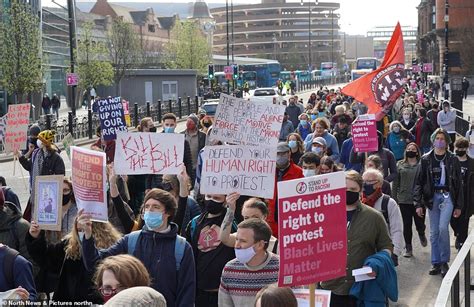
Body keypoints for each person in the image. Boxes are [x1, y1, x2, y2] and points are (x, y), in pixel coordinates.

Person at [78, 189, 196, 307]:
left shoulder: (182, 248)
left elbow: (186, 292)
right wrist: (88, 235)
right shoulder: (130, 240)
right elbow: (95, 263)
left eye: (156, 207)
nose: (150, 211)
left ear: (168, 212)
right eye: (147, 207)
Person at [320, 171, 393, 307]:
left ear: (361, 191)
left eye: (353, 189)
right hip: (330, 287)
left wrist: (377, 264)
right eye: (344, 189)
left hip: (361, 288)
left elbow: (386, 246)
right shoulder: (324, 215)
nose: (348, 192)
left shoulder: (374, 217)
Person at [26, 217, 121, 303]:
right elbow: (47, 259)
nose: (82, 233)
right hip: (67, 301)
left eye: (84, 230)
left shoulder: (112, 249)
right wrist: (35, 237)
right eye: (79, 230)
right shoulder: (70, 245)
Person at [414, 128, 463, 277]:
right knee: (434, 231)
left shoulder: (453, 159)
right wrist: (418, 204)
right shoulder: (426, 159)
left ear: (447, 142)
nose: (440, 141)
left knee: (443, 228)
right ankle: (435, 262)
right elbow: (419, 182)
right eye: (438, 138)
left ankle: (444, 261)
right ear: (433, 140)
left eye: (443, 138)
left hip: (448, 196)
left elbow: (459, 184)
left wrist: (459, 205)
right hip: (432, 197)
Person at [185, 193, 237, 307]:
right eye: (209, 197)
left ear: (224, 200)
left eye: (217, 198)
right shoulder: (194, 223)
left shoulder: (232, 223)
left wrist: (231, 208)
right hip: (200, 291)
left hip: (223, 292)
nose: (211, 200)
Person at [218, 219, 279, 307]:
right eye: (236, 239)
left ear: (260, 245)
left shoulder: (282, 268)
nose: (237, 245)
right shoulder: (230, 269)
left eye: (243, 241)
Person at [17, 130, 66, 221]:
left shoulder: (56, 157)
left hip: (49, 196)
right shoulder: (36, 153)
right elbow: (29, 166)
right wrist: (20, 156)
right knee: (35, 219)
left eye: (39, 139)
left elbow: (61, 177)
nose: (37, 141)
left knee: (47, 220)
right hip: (36, 193)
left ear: (44, 142)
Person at [362, 169, 403, 265]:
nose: (366, 184)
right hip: (363, 252)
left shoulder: (389, 203)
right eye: (364, 181)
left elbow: (396, 229)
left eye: (369, 181)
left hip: (383, 252)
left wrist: (394, 253)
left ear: (379, 184)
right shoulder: (358, 202)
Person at [393, 143, 427, 257]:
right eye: (408, 149)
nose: (410, 151)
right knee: (407, 224)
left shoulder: (422, 165)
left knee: (419, 223)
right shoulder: (400, 165)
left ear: (417, 152)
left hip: (419, 200)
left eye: (413, 149)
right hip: (404, 199)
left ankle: (421, 233)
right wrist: (394, 198)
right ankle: (408, 247)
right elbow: (396, 183)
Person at [146, 113, 194, 191]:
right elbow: (151, 164)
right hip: (158, 182)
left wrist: (190, 182)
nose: (169, 127)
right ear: (162, 124)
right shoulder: (155, 141)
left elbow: (188, 163)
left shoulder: (183, 142)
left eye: (171, 125)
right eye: (167, 124)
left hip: (176, 181)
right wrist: (147, 186)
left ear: (175, 125)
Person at [266, 143, 303, 237]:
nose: (280, 156)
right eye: (278, 154)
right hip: (270, 218)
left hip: (289, 219)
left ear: (289, 154)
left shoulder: (298, 172)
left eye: (283, 153)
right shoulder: (267, 170)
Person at [450, 137, 474, 250]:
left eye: (463, 148)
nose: (460, 150)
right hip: (453, 196)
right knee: (452, 220)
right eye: (458, 147)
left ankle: (461, 242)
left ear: (467, 148)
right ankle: (457, 234)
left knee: (464, 221)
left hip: (467, 197)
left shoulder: (472, 163)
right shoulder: (451, 161)